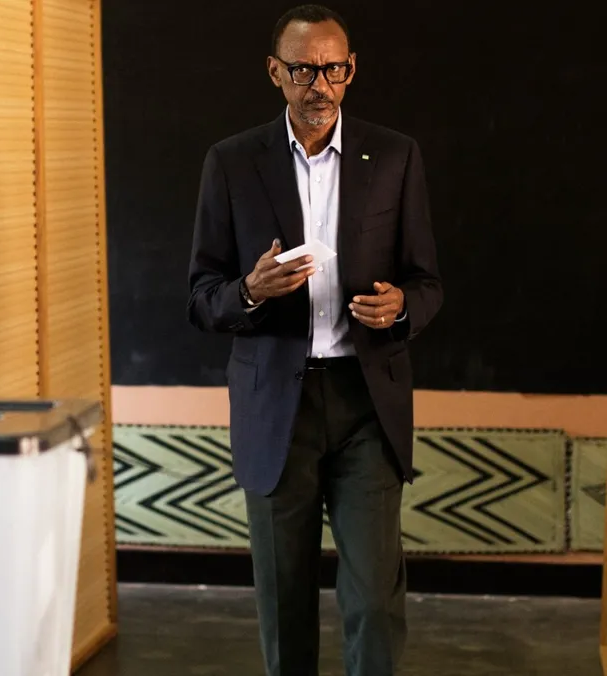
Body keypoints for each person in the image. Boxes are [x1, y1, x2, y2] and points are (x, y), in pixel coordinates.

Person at [185, 4, 443, 675]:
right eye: (303, 70)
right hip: (277, 405)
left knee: (374, 601)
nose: (319, 84)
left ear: (351, 70)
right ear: (275, 72)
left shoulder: (394, 155)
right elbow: (201, 297)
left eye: (333, 69)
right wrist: (250, 290)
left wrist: (401, 307)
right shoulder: (232, 162)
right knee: (285, 601)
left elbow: (427, 283)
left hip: (366, 402)